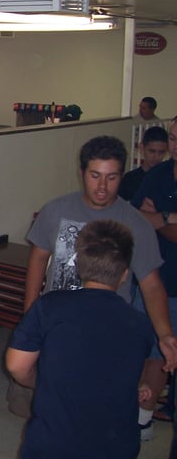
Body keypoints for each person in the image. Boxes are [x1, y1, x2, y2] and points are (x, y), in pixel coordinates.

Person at [23, 135, 177, 432]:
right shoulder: (56, 210)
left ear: (122, 175)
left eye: (112, 177)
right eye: (95, 176)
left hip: (109, 334)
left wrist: (166, 334)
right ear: (82, 173)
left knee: (100, 413)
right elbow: (38, 259)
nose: (102, 187)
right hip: (59, 331)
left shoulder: (135, 223)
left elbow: (151, 284)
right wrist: (31, 312)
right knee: (54, 411)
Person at [7, 220, 153, 459]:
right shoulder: (140, 323)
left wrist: (42, 382)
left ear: (80, 267)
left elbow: (16, 365)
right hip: (115, 446)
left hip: (52, 444)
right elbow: (123, 368)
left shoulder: (49, 307)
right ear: (125, 274)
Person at [132, 117, 177, 438]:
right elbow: (137, 218)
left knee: (163, 353)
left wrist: (157, 217)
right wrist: (167, 219)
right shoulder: (158, 175)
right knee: (138, 347)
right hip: (148, 276)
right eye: (173, 137)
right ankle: (137, 413)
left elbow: (152, 219)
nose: (174, 145)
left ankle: (144, 419)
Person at [119, 125, 168, 201]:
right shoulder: (129, 180)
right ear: (142, 148)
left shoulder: (170, 178)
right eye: (152, 151)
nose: (156, 157)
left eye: (161, 152)